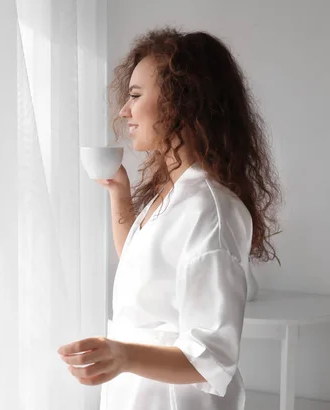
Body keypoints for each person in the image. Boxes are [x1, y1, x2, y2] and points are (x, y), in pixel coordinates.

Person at [57, 28, 281, 410]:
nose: (124, 111)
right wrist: (119, 194)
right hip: (141, 392)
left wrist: (123, 356)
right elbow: (139, 260)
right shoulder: (175, 191)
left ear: (182, 102)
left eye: (136, 96)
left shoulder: (211, 211)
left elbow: (213, 356)